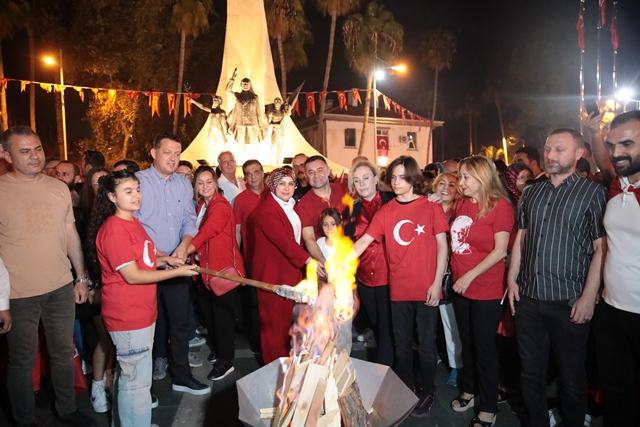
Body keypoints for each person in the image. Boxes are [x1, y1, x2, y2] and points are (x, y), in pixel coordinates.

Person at [507, 128, 607, 427]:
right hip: (529, 297)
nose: (550, 155)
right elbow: (521, 238)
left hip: (569, 300)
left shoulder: (593, 193)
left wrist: (589, 296)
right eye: (548, 149)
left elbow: (601, 247)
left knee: (571, 374)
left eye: (559, 150)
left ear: (579, 153)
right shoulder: (532, 192)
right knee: (530, 371)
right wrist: (512, 280)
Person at [0, 126, 95, 427]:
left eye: (38, 149)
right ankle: (24, 420)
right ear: (6, 155)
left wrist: (80, 277)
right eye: (25, 151)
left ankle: (67, 410)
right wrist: (1, 302)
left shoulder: (59, 188)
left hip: (60, 287)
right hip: (18, 294)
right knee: (22, 361)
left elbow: (70, 234)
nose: (34, 156)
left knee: (63, 352)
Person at [88, 169, 198, 427]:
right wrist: (177, 272)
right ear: (112, 197)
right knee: (136, 383)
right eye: (128, 191)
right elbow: (133, 275)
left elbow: (145, 260)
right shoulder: (114, 229)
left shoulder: (133, 222)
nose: (136, 195)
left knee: (133, 376)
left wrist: (167, 260)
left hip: (142, 311)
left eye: (138, 189)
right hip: (127, 314)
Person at [351, 155, 449, 418]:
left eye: (402, 177)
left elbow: (442, 245)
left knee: (426, 345)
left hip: (427, 287)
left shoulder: (430, 206)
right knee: (402, 344)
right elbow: (364, 242)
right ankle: (406, 387)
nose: (396, 182)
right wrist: (339, 264)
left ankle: (427, 390)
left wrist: (437, 282)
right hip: (398, 290)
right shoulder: (387, 211)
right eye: (393, 177)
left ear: (413, 178)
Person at [134, 132, 209, 396]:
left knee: (180, 323)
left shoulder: (183, 184)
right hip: (147, 267)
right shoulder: (138, 182)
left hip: (177, 265)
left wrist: (184, 245)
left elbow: (189, 220)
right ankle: (143, 388)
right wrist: (160, 255)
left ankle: (182, 375)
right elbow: (132, 226)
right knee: (146, 326)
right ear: (154, 153)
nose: (173, 158)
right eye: (167, 152)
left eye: (177, 153)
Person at [449, 156, 514, 427]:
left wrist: (469, 276)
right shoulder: (462, 203)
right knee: (466, 341)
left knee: (484, 346)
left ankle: (488, 405)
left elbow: (500, 251)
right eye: (460, 176)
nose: (460, 182)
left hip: (486, 288)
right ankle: (470, 388)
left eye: (466, 176)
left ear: (482, 177)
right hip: (460, 286)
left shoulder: (500, 206)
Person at [591, 110, 640, 427]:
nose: (617, 152)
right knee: (617, 389)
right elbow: (605, 163)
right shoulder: (617, 186)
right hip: (611, 310)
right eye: (612, 144)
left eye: (627, 144)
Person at [187, 166, 245, 381]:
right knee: (208, 314)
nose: (205, 186)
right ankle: (219, 349)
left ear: (215, 183)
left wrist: (183, 251)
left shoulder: (220, 205)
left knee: (222, 318)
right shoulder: (202, 204)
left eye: (208, 182)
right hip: (205, 270)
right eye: (200, 183)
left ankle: (226, 360)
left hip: (222, 271)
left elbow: (206, 233)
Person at [253, 167, 316, 364]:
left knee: (286, 325)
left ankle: (287, 366)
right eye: (281, 184)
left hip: (289, 272)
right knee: (274, 328)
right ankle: (275, 368)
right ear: (273, 186)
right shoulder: (267, 210)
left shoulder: (290, 205)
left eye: (290, 184)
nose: (287, 188)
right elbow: (284, 241)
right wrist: (308, 260)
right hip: (272, 276)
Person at [343, 161, 395, 367]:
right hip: (365, 277)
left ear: (376, 178)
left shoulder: (394, 200)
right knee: (377, 326)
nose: (362, 184)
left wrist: (436, 197)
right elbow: (349, 245)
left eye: (366, 178)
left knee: (387, 328)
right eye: (356, 180)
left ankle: (384, 372)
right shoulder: (351, 210)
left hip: (390, 275)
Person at [431, 172, 464, 387]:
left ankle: (456, 366)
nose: (446, 188)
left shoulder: (460, 211)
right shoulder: (426, 207)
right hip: (425, 271)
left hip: (449, 275)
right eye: (441, 183)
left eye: (452, 185)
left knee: (450, 324)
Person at [233, 159, 267, 353]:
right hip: (251, 259)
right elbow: (237, 231)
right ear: (244, 177)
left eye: (256, 172)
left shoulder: (274, 193)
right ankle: (257, 341)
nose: (253, 177)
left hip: (274, 259)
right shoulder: (240, 200)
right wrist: (236, 257)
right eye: (248, 173)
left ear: (262, 173)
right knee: (254, 302)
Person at [296, 155, 348, 265]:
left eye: (320, 170)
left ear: (328, 171)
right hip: (324, 257)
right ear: (306, 176)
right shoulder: (303, 205)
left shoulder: (345, 190)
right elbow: (309, 238)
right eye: (311, 172)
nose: (316, 175)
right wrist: (324, 262)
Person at [225, 70, 269, 147]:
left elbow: (259, 110)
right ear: (241, 85)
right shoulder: (237, 96)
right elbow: (228, 91)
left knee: (254, 143)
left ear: (250, 85)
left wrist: (263, 121)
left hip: (253, 122)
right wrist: (232, 79)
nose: (245, 85)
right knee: (240, 144)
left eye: (247, 84)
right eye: (244, 84)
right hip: (240, 122)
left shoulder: (254, 97)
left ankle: (255, 155)